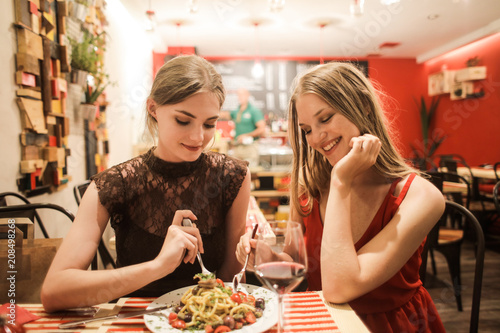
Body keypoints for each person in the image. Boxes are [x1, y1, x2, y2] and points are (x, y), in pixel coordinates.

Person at [236, 62, 446, 332]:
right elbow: (297, 267)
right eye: (307, 129)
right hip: (323, 320)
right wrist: (268, 257)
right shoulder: (308, 187)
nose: (316, 138)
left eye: (325, 118)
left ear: (363, 107)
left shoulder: (420, 196)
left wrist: (341, 180)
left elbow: (339, 287)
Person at [41, 55, 251, 312]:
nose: (198, 137)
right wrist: (158, 266)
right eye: (183, 120)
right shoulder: (115, 184)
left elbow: (229, 277)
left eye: (209, 124)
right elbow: (54, 292)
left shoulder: (232, 176)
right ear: (153, 108)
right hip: (134, 322)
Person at [221, 88, 265, 167]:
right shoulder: (237, 111)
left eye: (242, 95)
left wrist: (246, 135)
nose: (240, 97)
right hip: (237, 148)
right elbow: (225, 115)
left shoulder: (254, 111)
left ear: (248, 95)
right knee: (235, 174)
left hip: (250, 148)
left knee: (250, 173)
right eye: (238, 95)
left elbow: (262, 129)